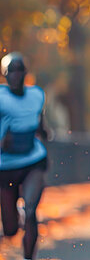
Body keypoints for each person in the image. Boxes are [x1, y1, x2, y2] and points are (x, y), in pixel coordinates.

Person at [0, 52, 49, 260]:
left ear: (26, 73)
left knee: (31, 211)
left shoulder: (36, 94)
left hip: (33, 161)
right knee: (10, 229)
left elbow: (40, 124)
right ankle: (16, 216)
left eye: (20, 70)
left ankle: (29, 257)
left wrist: (45, 132)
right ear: (5, 74)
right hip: (5, 167)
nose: (16, 75)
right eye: (12, 71)